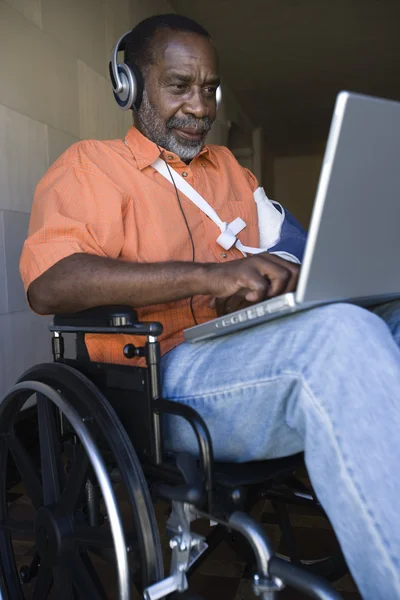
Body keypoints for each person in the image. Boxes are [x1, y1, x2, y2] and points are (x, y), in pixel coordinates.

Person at [20, 14, 400, 600]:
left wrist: (290, 275)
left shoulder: (231, 171)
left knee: (386, 314)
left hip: (249, 350)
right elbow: (49, 283)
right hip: (162, 376)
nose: (201, 107)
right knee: (341, 339)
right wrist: (209, 275)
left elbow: (296, 247)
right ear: (130, 86)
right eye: (179, 86)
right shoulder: (90, 167)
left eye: (210, 88)